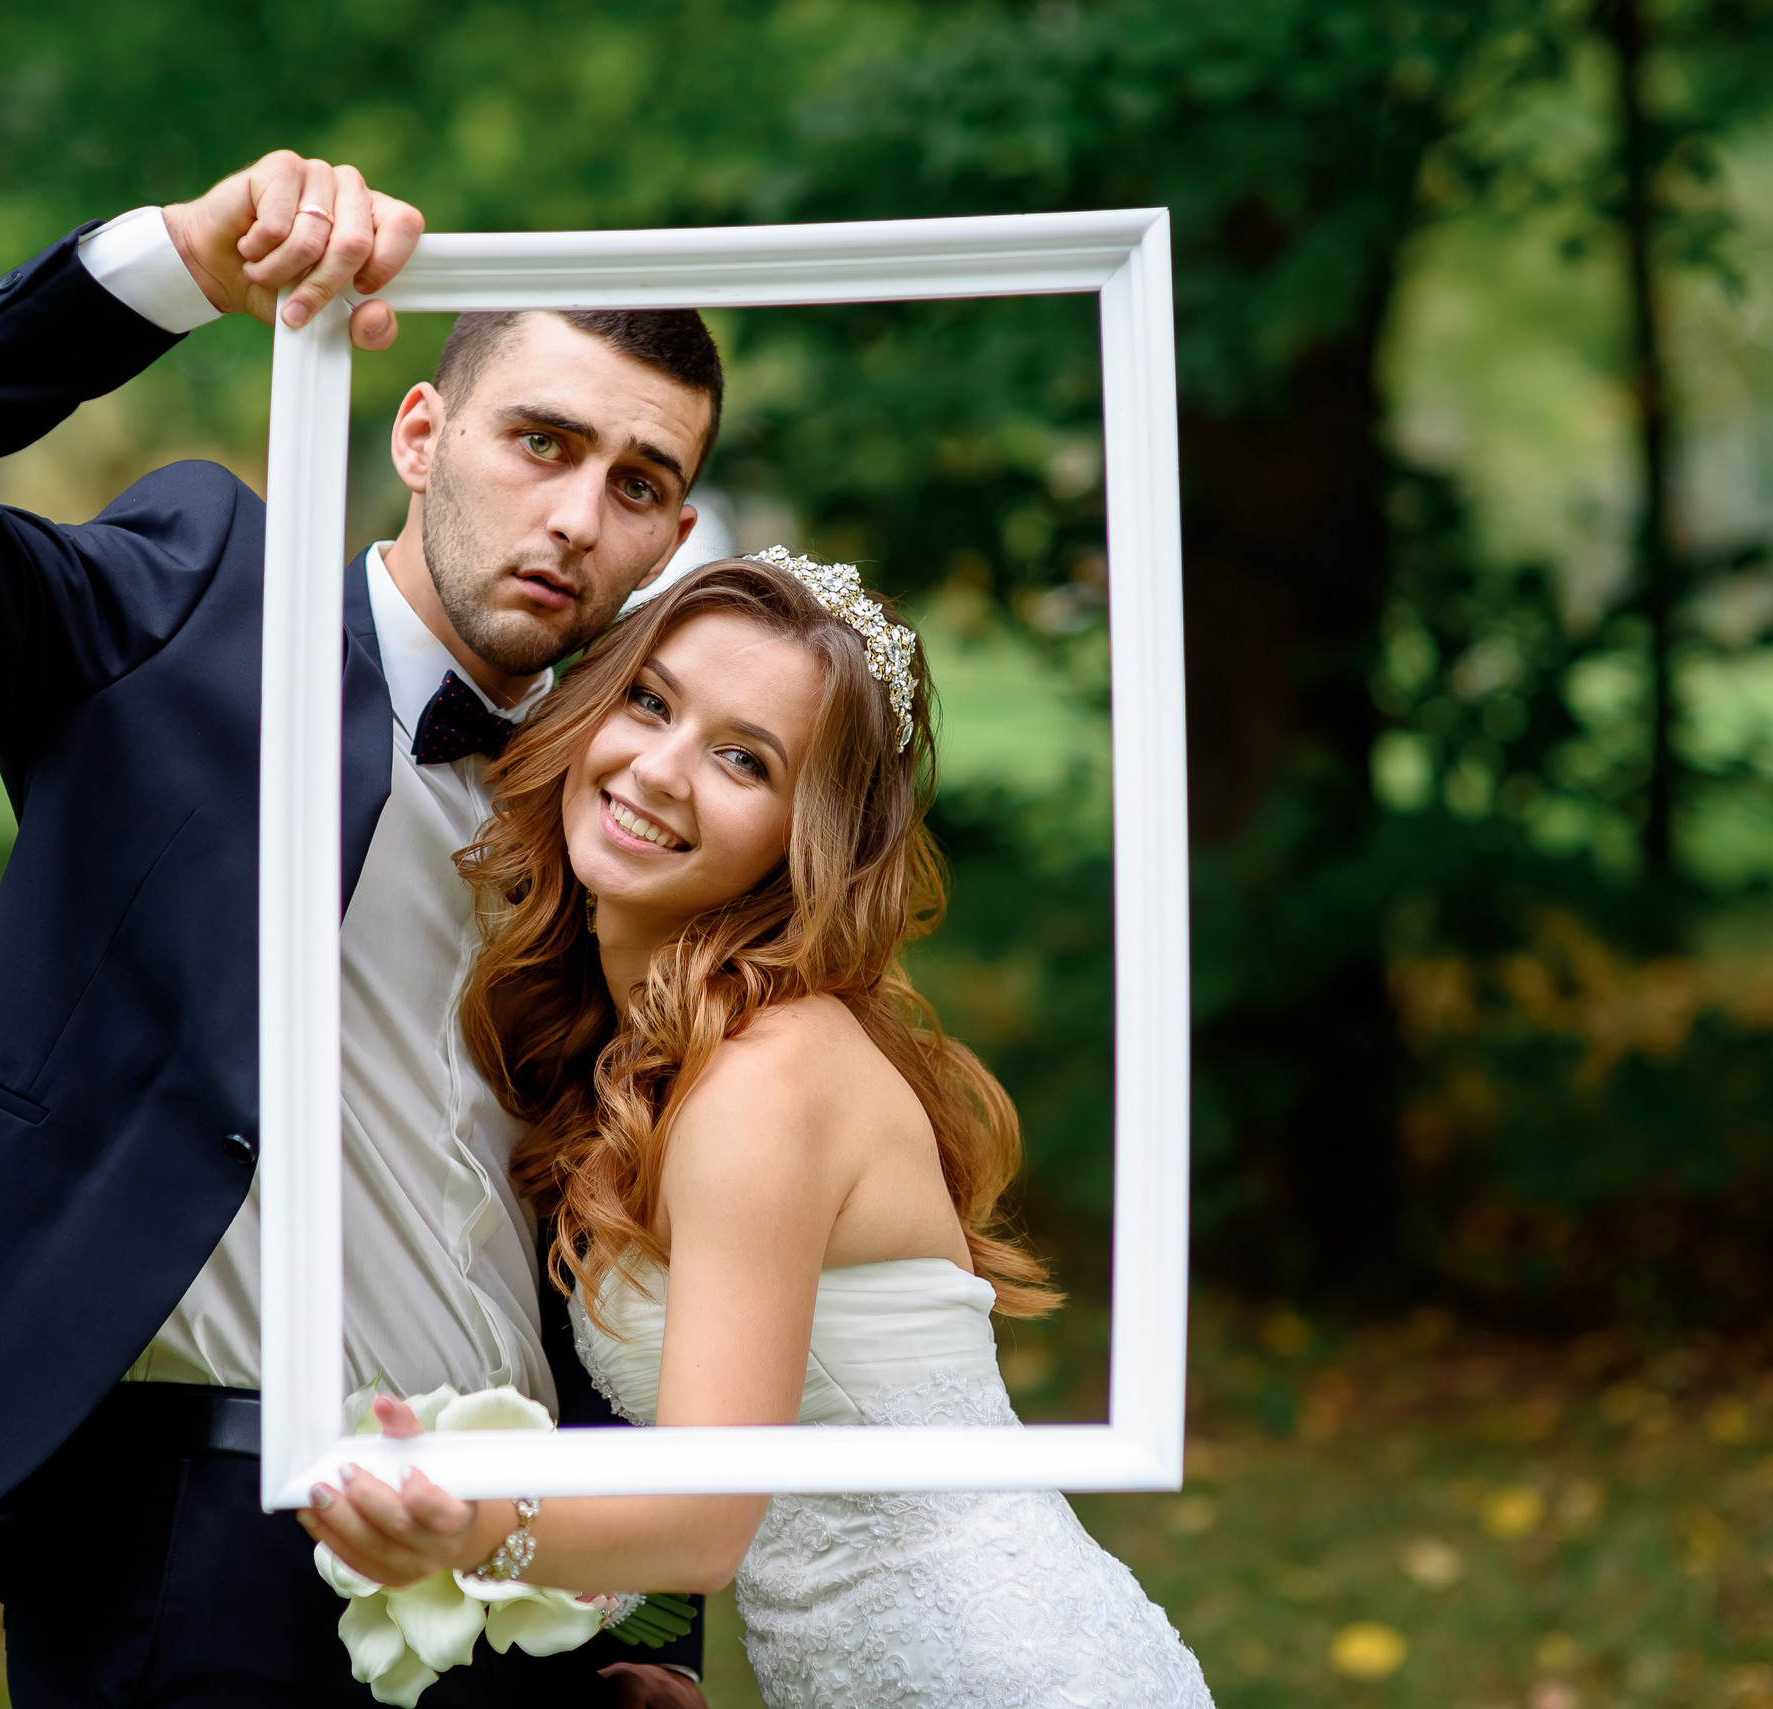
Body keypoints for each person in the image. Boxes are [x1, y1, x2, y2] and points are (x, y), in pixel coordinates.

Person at [0, 149, 712, 1707]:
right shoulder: (192, 620)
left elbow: (617, 1207)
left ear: (672, 535)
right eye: (543, 442)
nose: (580, 516)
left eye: (641, 482)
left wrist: (652, 1625)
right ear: (421, 429)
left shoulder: (636, 809)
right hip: (206, 1539)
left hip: (533, 1581)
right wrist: (180, 261)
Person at [299, 552, 1217, 1707]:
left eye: (744, 759)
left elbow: (704, 1513)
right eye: (650, 701)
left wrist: (465, 1518)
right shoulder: (651, 1060)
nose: (661, 769)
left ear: (805, 834)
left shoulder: (765, 1077)